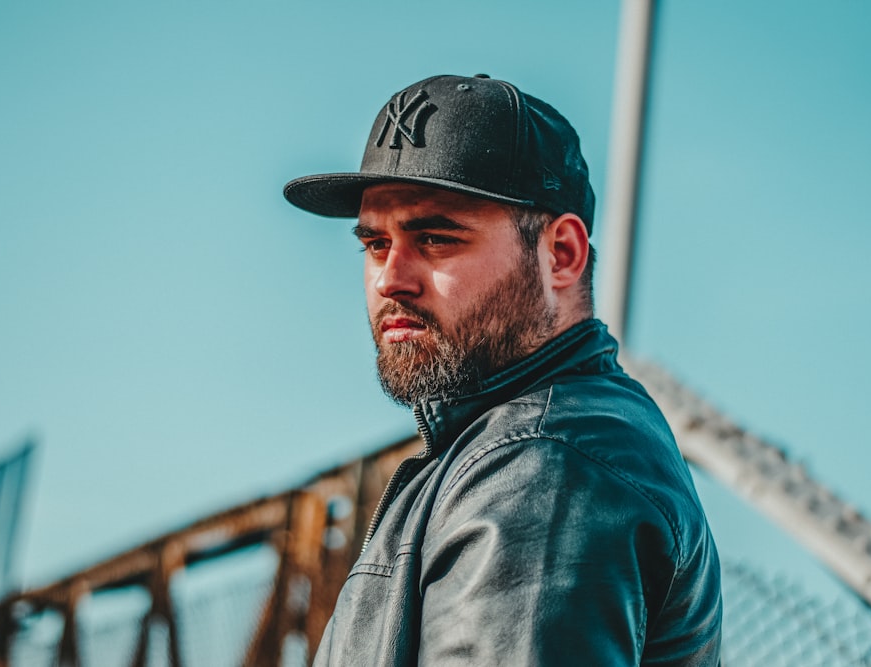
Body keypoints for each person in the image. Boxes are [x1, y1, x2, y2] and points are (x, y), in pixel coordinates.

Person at [284, 73, 722, 666]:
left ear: (560, 254)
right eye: (375, 244)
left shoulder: (546, 465)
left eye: (436, 238)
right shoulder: (501, 451)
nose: (390, 278)